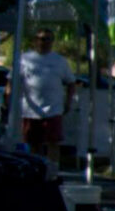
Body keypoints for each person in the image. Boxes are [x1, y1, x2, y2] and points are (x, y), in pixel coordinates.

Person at [15, 28, 75, 168]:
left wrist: (68, 102)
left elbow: (71, 82)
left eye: (48, 39)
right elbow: (12, 80)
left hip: (53, 108)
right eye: (42, 39)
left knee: (53, 142)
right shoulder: (25, 59)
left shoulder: (60, 61)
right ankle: (36, 169)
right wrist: (8, 97)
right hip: (31, 109)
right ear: (35, 41)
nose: (45, 42)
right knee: (34, 143)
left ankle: (53, 170)